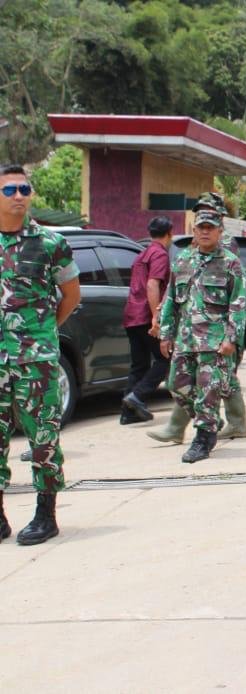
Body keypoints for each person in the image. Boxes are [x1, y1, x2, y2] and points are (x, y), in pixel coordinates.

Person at [0, 164, 81, 546]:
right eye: (9, 190)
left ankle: (46, 514)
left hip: (36, 360)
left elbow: (71, 295)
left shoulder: (51, 243)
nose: (18, 195)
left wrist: (42, 332)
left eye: (24, 189)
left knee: (43, 438)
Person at [147, 193, 246, 444]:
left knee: (217, 383)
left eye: (209, 216)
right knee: (181, 383)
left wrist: (232, 336)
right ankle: (209, 420)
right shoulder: (185, 257)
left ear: (219, 221)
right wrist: (165, 328)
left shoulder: (227, 252)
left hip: (215, 335)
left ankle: (209, 425)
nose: (204, 227)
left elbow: (237, 300)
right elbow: (175, 294)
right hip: (188, 335)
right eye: (200, 216)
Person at [121, 215, 173, 424]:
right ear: (169, 233)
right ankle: (137, 396)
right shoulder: (159, 254)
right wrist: (156, 317)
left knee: (139, 365)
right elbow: (152, 285)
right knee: (165, 359)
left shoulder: (141, 254)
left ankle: (127, 414)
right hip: (145, 315)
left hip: (131, 315)